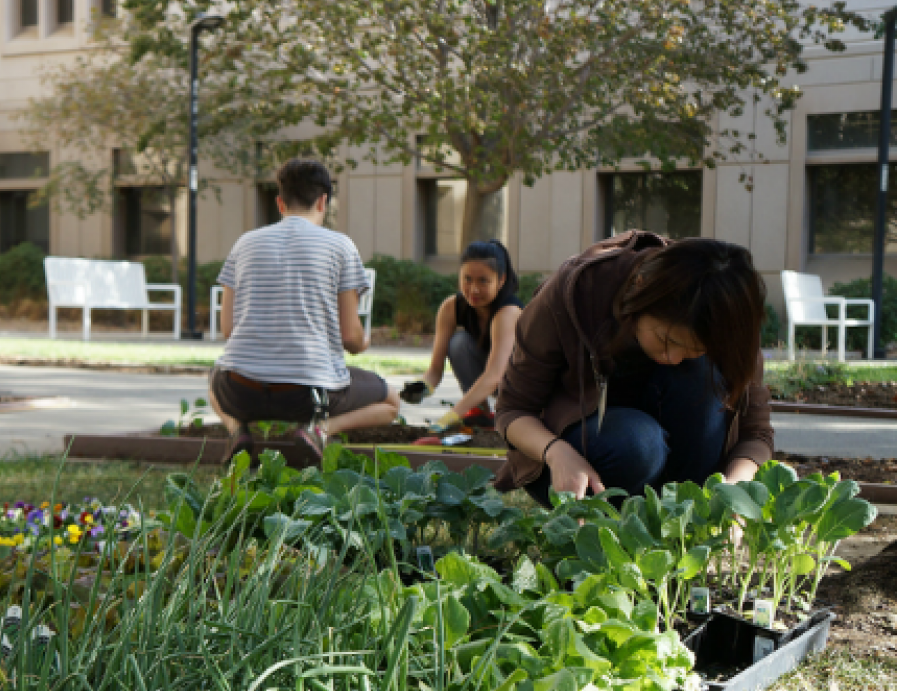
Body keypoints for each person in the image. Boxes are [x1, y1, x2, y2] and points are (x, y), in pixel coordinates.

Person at [494, 231, 773, 506]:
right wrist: (557, 453)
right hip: (574, 465)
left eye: (694, 350)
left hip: (670, 473)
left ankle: (685, 516)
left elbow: (756, 433)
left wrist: (735, 488)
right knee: (639, 442)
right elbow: (512, 410)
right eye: (667, 340)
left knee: (702, 374)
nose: (674, 357)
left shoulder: (728, 320)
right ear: (640, 289)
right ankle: (606, 524)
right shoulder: (578, 292)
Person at [209, 158, 401, 463]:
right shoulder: (340, 246)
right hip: (306, 397)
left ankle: (238, 431)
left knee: (215, 375)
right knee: (391, 400)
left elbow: (229, 331)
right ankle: (318, 430)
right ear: (323, 201)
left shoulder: (244, 244)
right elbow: (351, 338)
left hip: (239, 391)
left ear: (280, 202)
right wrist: (365, 341)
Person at [399, 240, 523, 433]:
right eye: (467, 279)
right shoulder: (451, 307)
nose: (473, 289)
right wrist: (422, 387)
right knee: (459, 343)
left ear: (501, 280)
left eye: (483, 281)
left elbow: (494, 376)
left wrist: (450, 416)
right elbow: (435, 371)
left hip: (519, 384)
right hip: (491, 378)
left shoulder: (508, 312)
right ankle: (479, 412)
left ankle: (514, 417)